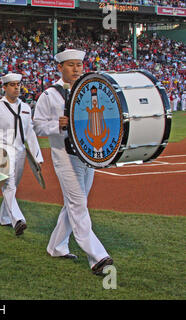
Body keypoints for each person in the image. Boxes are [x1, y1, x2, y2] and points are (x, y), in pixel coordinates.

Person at [33, 49, 113, 276]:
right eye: (71, 65)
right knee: (78, 204)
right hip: (65, 157)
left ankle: (56, 246)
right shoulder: (49, 95)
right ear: (60, 67)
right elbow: (37, 126)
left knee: (74, 204)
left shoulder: (87, 91)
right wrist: (57, 125)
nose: (76, 68)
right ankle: (97, 256)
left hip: (87, 155)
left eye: (79, 64)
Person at [0, 73, 43, 236]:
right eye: (12, 85)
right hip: (2, 150)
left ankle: (4, 217)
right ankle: (18, 220)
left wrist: (37, 157)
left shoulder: (26, 108)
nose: (16, 87)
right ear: (4, 88)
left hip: (19, 151)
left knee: (13, 185)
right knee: (9, 185)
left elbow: (30, 133)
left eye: (18, 84)